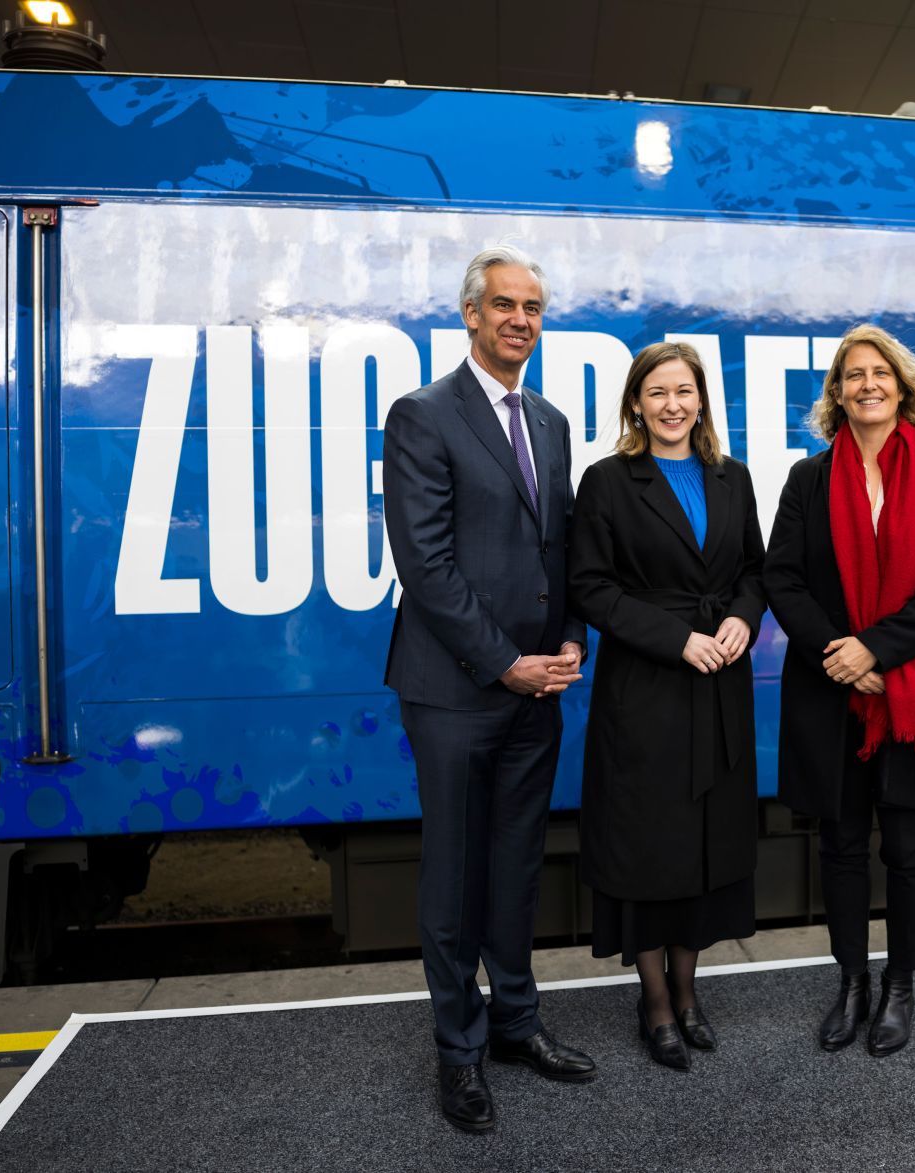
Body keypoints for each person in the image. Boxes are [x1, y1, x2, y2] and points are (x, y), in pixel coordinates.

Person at [382, 244, 596, 1133]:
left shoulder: (549, 420)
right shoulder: (422, 414)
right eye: (504, 304)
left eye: (533, 307)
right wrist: (506, 661)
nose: (520, 320)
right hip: (456, 691)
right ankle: (459, 1051)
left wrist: (572, 637)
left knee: (515, 865)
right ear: (471, 313)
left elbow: (562, 547)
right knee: (455, 874)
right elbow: (425, 566)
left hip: (536, 689)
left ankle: (515, 1021)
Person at [762, 324, 915, 1058]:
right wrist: (842, 656)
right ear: (837, 392)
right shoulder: (809, 479)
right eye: (853, 375)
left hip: (911, 689)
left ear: (902, 385)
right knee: (842, 843)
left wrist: (877, 649)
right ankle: (851, 982)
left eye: (880, 373)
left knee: (911, 846)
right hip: (831, 687)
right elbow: (782, 577)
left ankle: (901, 986)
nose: (868, 385)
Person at [569, 341, 766, 1072]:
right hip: (647, 688)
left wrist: (744, 616)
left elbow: (755, 569)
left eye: (684, 391)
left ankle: (688, 992)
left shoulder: (733, 476)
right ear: (635, 403)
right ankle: (655, 1002)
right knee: (651, 846)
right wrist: (677, 638)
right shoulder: (608, 481)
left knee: (707, 841)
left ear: (702, 400)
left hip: (719, 683)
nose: (672, 405)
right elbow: (591, 588)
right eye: (657, 392)